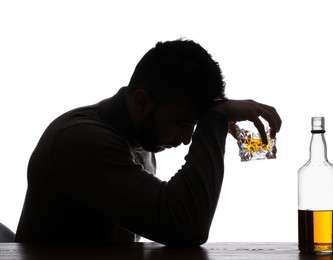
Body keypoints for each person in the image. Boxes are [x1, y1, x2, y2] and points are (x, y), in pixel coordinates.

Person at [15, 39, 282, 246]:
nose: (188, 139)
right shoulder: (80, 140)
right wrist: (214, 121)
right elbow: (186, 225)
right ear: (142, 102)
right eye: (181, 123)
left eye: (195, 126)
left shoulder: (137, 139)